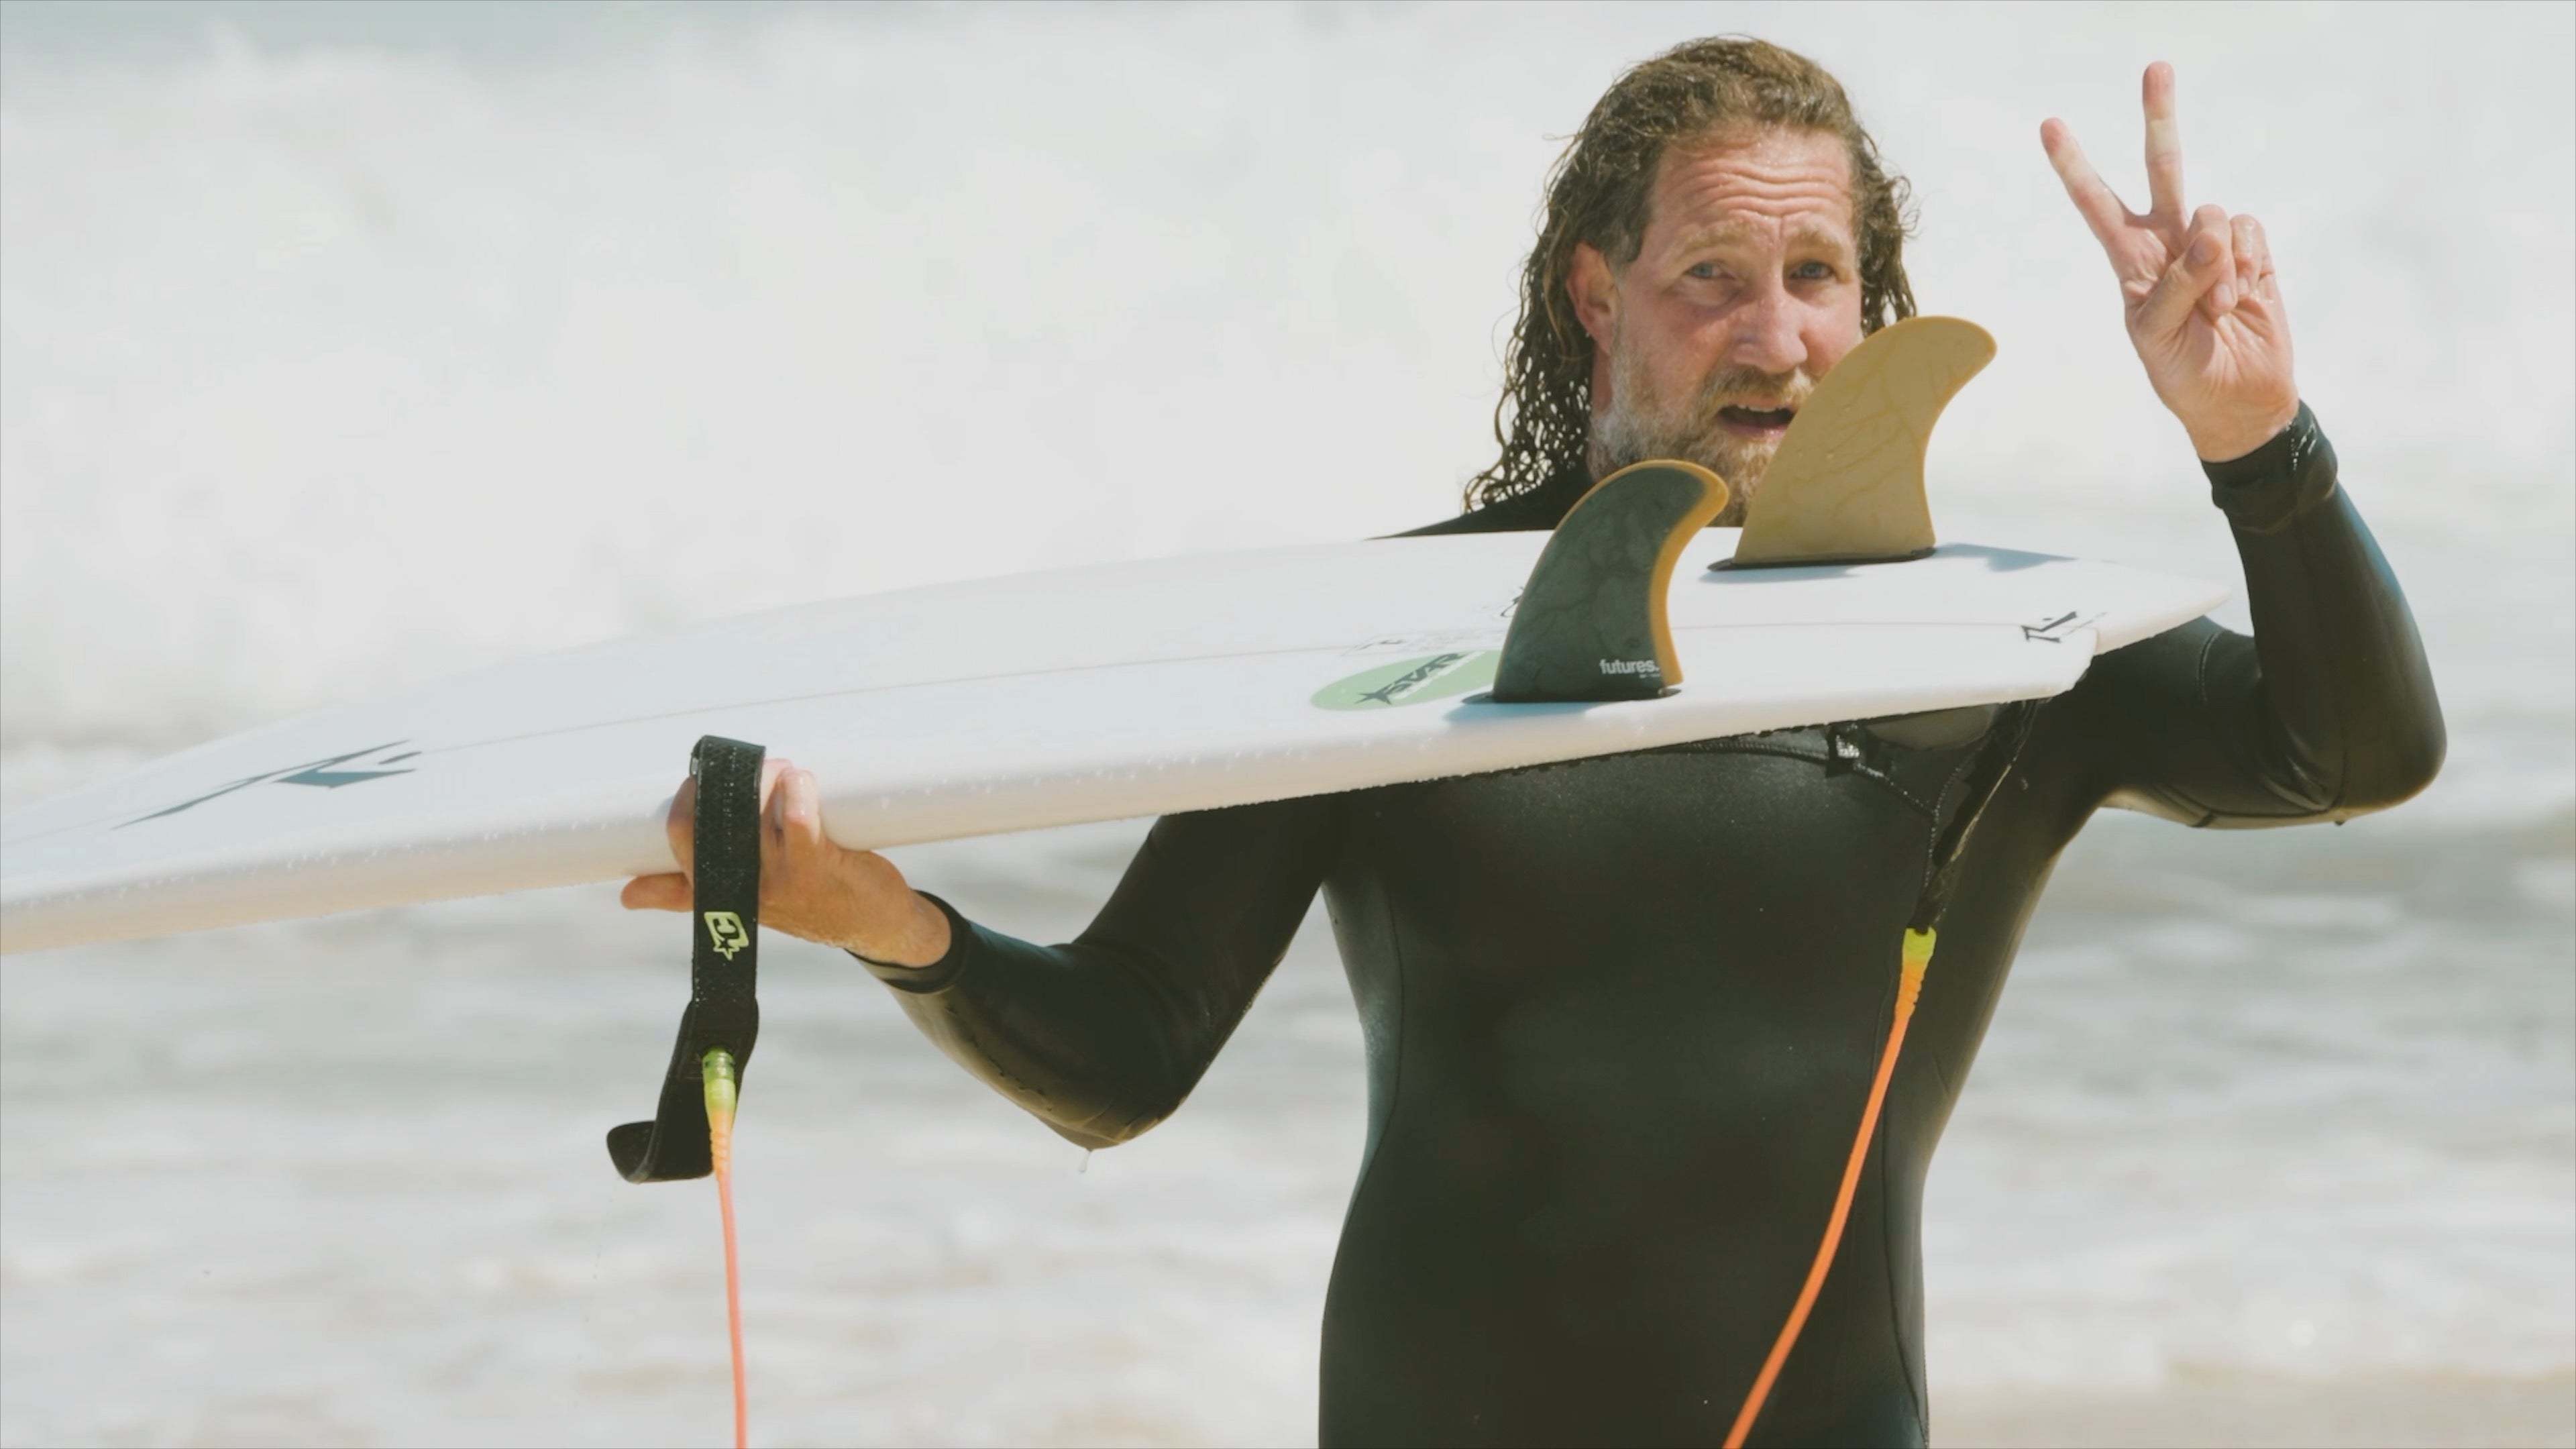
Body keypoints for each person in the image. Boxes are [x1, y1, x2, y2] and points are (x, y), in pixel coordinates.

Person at [621, 38, 2443, 1448]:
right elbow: (1129, 1048)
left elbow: (2352, 752)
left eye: (1817, 271)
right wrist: (883, 921)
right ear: (1599, 297)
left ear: (1878, 308)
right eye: (1709, 273)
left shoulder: (1994, 651)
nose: (1774, 330)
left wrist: (2255, 442)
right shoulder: (1390, 654)